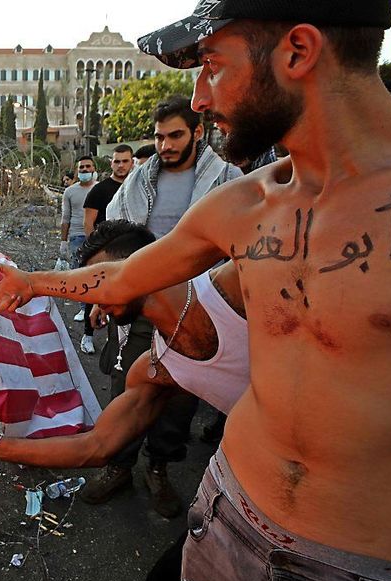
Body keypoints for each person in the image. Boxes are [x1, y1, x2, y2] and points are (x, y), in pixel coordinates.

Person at [0, 1, 391, 581]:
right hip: (226, 528)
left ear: (298, 51)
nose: (198, 99)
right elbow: (123, 274)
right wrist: (30, 281)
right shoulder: (245, 204)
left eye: (212, 67)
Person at [0, 219, 248, 581]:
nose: (93, 295)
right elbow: (97, 445)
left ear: (141, 267)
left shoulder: (235, 285)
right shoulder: (157, 367)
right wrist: (1, 446)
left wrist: (33, 282)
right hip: (249, 507)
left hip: (358, 521)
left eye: (94, 281)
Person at [86, 97, 242, 518]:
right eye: (158, 137)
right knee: (126, 387)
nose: (166, 145)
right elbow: (114, 241)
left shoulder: (229, 180)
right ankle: (118, 465)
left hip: (200, 307)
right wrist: (105, 295)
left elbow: (241, 249)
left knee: (179, 396)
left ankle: (158, 467)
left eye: (175, 135)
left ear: (197, 132)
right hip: (141, 303)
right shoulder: (137, 182)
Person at [73, 145, 135, 354]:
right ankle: (88, 336)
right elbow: (89, 223)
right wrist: (96, 253)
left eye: (125, 161)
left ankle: (118, 340)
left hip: (132, 252)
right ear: (111, 163)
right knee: (97, 293)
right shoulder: (99, 190)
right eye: (117, 161)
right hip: (105, 253)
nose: (120, 165)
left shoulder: (138, 187)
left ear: (132, 162)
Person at [60, 155, 98, 278]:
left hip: (97, 236)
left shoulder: (100, 188)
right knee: (77, 273)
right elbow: (65, 218)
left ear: (94, 169)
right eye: (81, 167)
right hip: (77, 237)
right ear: (77, 170)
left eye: (88, 166)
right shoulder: (69, 191)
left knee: (95, 272)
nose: (85, 169)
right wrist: (63, 242)